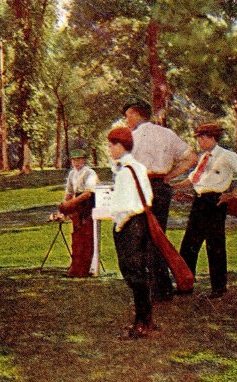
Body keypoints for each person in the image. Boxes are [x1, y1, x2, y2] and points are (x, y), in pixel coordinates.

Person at [122, 98, 198, 301]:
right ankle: (161, 286)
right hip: (161, 187)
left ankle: (154, 287)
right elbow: (192, 158)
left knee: (141, 237)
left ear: (137, 114)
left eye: (128, 115)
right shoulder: (167, 134)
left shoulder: (131, 137)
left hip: (141, 186)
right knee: (158, 235)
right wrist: (170, 175)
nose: (126, 120)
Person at [173, 123, 237, 299]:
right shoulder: (204, 158)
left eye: (201, 138)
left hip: (215, 202)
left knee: (215, 245)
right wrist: (172, 187)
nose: (199, 141)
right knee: (189, 245)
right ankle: (185, 285)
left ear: (211, 138)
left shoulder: (227, 156)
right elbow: (192, 180)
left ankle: (219, 287)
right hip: (199, 202)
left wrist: (232, 194)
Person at [107, 127, 158, 338]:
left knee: (133, 273)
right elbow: (148, 196)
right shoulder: (137, 167)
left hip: (129, 224)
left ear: (120, 146)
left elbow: (124, 206)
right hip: (140, 222)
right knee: (138, 273)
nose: (109, 150)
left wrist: (118, 226)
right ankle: (144, 318)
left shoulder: (126, 172)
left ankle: (142, 322)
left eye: (111, 145)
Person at [59, 146, 98, 277]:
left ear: (84, 160)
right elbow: (69, 192)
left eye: (79, 160)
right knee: (76, 238)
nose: (76, 163)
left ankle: (84, 269)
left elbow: (88, 193)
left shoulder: (89, 173)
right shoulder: (72, 174)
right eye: (74, 160)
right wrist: (64, 206)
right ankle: (75, 268)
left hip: (87, 207)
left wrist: (70, 204)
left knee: (86, 238)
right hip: (77, 207)